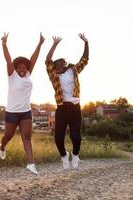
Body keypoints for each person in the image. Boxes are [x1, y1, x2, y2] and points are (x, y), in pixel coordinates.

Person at [0, 32, 44, 174]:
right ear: (16, 68)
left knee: (27, 137)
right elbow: (8, 60)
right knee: (8, 136)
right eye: (19, 68)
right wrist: (4, 44)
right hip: (12, 112)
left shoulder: (28, 75)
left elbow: (33, 59)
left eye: (24, 68)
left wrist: (40, 44)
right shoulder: (12, 76)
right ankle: (2, 146)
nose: (22, 70)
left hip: (25, 112)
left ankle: (31, 164)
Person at [45, 33, 89, 170]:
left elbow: (85, 59)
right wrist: (55, 44)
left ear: (65, 64)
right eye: (55, 65)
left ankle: (75, 155)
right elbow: (47, 60)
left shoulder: (73, 70)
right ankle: (64, 156)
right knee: (58, 138)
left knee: (76, 137)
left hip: (75, 108)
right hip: (62, 109)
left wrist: (86, 43)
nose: (57, 67)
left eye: (60, 64)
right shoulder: (54, 76)